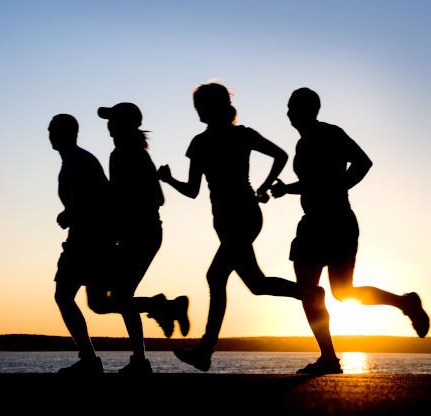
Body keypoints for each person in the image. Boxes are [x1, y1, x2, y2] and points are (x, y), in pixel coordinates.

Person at [271, 87, 429, 374]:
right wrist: (287, 189)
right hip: (315, 222)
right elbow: (314, 183)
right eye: (289, 107)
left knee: (338, 292)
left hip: (336, 220)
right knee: (317, 291)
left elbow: (363, 162)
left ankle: (404, 304)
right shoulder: (303, 143)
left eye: (293, 107)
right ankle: (330, 357)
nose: (289, 113)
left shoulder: (330, 133)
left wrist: (341, 186)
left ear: (308, 110)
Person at [158, 83, 303, 372]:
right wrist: (169, 179)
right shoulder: (199, 143)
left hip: (245, 215)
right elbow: (193, 190)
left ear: (215, 107)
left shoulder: (241, 135)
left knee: (215, 276)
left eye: (200, 105)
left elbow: (281, 154)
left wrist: (261, 188)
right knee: (257, 284)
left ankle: (205, 350)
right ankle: (309, 292)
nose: (197, 111)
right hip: (223, 220)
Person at [95, 102, 189, 374]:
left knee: (109, 301)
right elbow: (157, 198)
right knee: (119, 298)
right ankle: (141, 357)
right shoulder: (139, 154)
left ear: (122, 125)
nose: (108, 125)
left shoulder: (121, 154)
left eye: (112, 120)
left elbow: (118, 200)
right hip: (146, 232)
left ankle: (163, 309)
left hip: (137, 233)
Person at [49, 113, 113, 375]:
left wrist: (71, 213)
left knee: (65, 296)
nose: (51, 135)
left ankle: (89, 359)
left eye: (55, 130)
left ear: (71, 133)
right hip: (83, 238)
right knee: (99, 302)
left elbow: (102, 197)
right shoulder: (72, 162)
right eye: (50, 130)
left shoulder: (80, 160)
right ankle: (160, 305)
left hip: (89, 240)